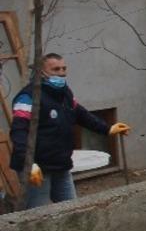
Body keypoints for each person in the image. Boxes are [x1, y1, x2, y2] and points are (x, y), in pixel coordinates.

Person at [8, 53, 131, 208]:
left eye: (64, 68)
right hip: (37, 169)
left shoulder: (64, 93)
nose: (61, 72)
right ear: (41, 72)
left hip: (61, 164)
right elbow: (19, 132)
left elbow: (81, 115)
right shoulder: (27, 97)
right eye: (56, 69)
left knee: (72, 211)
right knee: (38, 216)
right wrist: (28, 164)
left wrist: (108, 129)